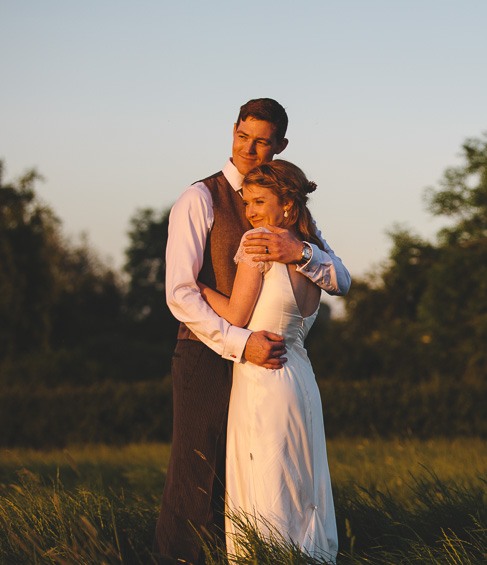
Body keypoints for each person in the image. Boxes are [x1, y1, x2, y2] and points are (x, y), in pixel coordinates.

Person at [154, 98, 349, 565]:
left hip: (270, 358)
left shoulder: (287, 205)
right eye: (243, 137)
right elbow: (180, 294)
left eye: (262, 141)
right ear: (233, 133)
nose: (249, 149)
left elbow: (338, 275)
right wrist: (244, 345)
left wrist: (299, 251)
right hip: (206, 353)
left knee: (254, 472)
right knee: (196, 478)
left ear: (280, 145)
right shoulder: (199, 197)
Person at [198, 159, 338, 561]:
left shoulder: (258, 244)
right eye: (247, 203)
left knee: (265, 481)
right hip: (300, 378)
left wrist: (198, 289)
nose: (251, 212)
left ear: (289, 205)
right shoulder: (312, 253)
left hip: (263, 379)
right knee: (301, 482)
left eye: (260, 201)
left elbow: (237, 317)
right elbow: (341, 280)